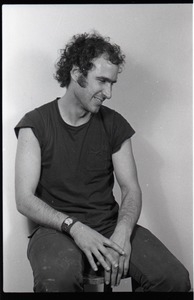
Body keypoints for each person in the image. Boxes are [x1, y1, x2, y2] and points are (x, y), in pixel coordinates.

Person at [14, 31, 191, 293]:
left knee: (174, 279)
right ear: (76, 73)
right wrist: (74, 227)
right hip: (56, 229)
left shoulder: (115, 124)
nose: (108, 92)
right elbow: (24, 200)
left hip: (109, 226)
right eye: (102, 81)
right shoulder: (35, 124)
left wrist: (123, 231)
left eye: (113, 83)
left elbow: (131, 189)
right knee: (58, 282)